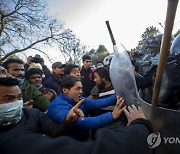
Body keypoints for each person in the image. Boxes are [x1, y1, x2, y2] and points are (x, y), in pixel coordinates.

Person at [0, 105, 154, 154]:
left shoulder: (32, 113)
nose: (14, 103)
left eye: (17, 97)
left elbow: (54, 131)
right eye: (7, 99)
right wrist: (140, 126)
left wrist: (67, 123)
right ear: (66, 90)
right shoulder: (57, 105)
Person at [0, 77, 84, 137]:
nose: (17, 102)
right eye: (9, 99)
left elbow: (55, 130)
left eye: (19, 97)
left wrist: (68, 122)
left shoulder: (34, 114)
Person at [48, 76, 124, 141]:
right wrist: (112, 115)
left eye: (81, 89)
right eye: (78, 89)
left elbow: (98, 103)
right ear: (65, 90)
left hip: (81, 139)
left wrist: (118, 94)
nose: (81, 92)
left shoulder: (79, 100)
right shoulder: (57, 105)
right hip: (68, 144)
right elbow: (81, 123)